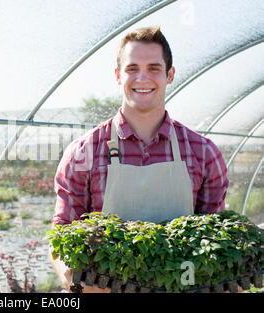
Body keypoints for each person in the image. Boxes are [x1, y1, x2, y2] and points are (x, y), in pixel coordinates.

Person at [49, 26, 229, 293]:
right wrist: (74, 279)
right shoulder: (83, 152)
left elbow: (214, 236)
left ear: (170, 75)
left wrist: (226, 278)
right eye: (132, 68)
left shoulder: (203, 153)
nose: (142, 77)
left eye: (154, 68)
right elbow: (62, 236)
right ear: (118, 76)